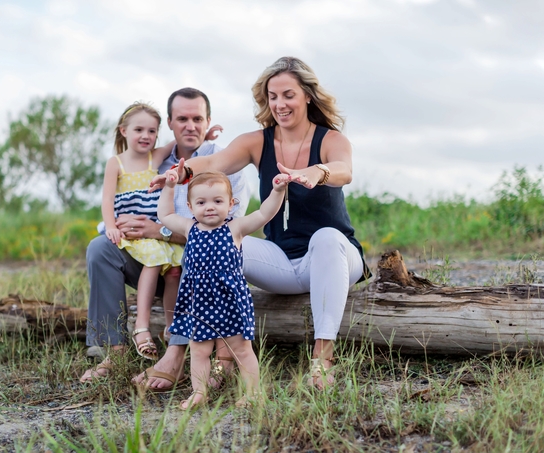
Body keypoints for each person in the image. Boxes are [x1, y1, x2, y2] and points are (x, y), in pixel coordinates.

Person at [139, 56, 370, 390]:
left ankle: (322, 362)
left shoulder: (330, 139)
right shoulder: (258, 141)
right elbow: (215, 161)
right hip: (281, 262)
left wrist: (314, 173)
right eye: (272, 96)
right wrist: (181, 172)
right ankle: (208, 357)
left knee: (327, 237)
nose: (279, 104)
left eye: (287, 95)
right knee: (215, 242)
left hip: (334, 258)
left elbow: (344, 171)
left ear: (307, 95)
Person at [81, 88, 250, 382]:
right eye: (182, 118)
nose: (190, 125)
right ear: (170, 124)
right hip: (153, 260)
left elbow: (225, 234)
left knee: (197, 259)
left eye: (197, 118)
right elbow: (121, 196)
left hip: (199, 267)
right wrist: (124, 224)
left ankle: (177, 355)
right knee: (100, 249)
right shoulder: (152, 160)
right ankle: (115, 349)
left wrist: (158, 230)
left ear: (208, 121)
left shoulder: (227, 163)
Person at [158, 169, 290, 408]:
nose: (210, 207)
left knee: (241, 349)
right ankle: (199, 392)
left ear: (231, 204)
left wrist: (278, 190)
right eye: (201, 202)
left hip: (230, 302)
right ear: (190, 206)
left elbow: (264, 213)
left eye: (218, 201)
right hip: (199, 303)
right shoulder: (191, 229)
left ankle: (253, 393)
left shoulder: (235, 229)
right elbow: (165, 214)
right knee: (198, 351)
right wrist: (169, 187)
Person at [101, 102, 183, 361]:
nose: (146, 136)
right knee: (154, 260)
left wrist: (209, 131)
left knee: (175, 270)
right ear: (123, 130)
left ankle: (172, 328)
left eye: (152, 131)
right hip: (134, 233)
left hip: (155, 230)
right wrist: (111, 226)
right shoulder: (116, 163)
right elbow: (106, 199)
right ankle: (142, 326)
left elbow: (179, 141)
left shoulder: (154, 158)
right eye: (139, 130)